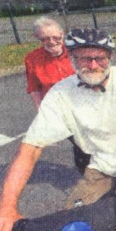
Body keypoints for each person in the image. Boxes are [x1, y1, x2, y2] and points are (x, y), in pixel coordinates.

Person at [0, 28, 116, 231]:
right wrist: (7, 207)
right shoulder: (61, 94)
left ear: (110, 58)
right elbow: (29, 151)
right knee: (71, 228)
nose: (94, 65)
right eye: (85, 59)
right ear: (72, 59)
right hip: (102, 165)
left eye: (100, 58)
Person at [24, 17, 91, 173]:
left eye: (56, 37)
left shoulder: (76, 51)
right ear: (38, 38)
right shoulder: (32, 59)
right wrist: (41, 110)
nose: (52, 41)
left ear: (62, 34)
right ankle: (87, 171)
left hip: (86, 102)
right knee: (79, 141)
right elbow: (33, 87)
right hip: (60, 109)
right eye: (45, 38)